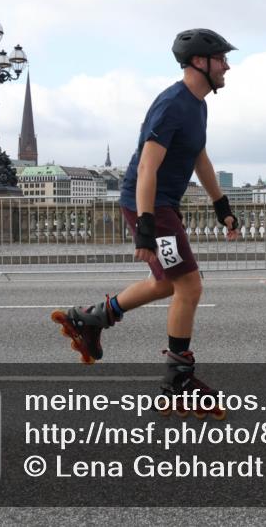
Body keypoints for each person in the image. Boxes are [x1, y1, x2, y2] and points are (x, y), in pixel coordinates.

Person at [52, 28, 239, 420]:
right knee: (189, 285)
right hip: (150, 204)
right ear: (200, 63)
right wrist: (147, 227)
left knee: (167, 282)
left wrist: (221, 204)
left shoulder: (198, 106)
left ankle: (91, 317)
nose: (227, 66)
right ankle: (178, 380)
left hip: (161, 205)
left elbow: (199, 158)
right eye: (221, 58)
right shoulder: (171, 104)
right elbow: (148, 167)